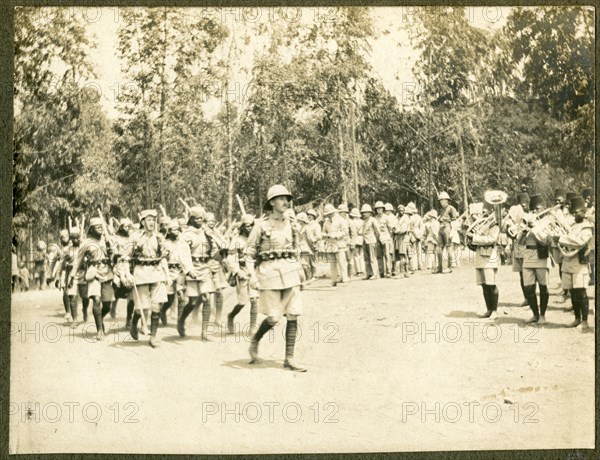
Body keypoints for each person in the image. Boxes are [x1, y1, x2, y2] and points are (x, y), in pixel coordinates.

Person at [246, 184, 307, 372]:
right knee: (273, 317)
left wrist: (301, 270)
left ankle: (289, 359)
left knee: (294, 314)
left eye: (287, 198)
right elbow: (249, 253)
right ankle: (256, 339)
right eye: (281, 198)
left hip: (290, 272)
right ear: (271, 202)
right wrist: (252, 276)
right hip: (269, 274)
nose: (286, 202)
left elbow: (298, 248)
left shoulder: (293, 224)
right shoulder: (260, 225)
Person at [128, 209, 170, 348]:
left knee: (157, 304)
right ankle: (134, 323)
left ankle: (153, 336)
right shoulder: (135, 237)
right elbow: (125, 257)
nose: (152, 222)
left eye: (153, 220)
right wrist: (127, 273)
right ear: (143, 221)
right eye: (149, 220)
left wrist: (167, 274)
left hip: (157, 272)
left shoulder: (159, 238)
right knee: (142, 308)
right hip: (141, 273)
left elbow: (163, 257)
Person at [69, 217, 115, 341]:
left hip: (107, 273)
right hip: (93, 273)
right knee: (96, 300)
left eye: (101, 226)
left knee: (107, 305)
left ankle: (100, 319)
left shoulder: (107, 240)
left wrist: (112, 251)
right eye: (97, 226)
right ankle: (99, 330)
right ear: (91, 229)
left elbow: (115, 256)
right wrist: (72, 276)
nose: (100, 228)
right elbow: (78, 260)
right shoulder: (86, 243)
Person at [178, 206, 217, 341]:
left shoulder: (207, 233)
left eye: (202, 218)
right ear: (191, 219)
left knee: (206, 297)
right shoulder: (186, 235)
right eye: (197, 218)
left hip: (205, 267)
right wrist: (189, 269)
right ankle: (181, 319)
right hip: (193, 268)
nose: (200, 220)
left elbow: (214, 248)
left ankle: (205, 331)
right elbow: (183, 253)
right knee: (193, 301)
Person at [557, 196, 594, 331]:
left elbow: (579, 242)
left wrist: (561, 238)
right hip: (568, 262)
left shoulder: (587, 227)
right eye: (573, 212)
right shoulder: (572, 226)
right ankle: (577, 318)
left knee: (581, 292)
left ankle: (584, 321)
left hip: (579, 264)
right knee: (572, 292)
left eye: (576, 212)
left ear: (583, 213)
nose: (574, 215)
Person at [160, 219, 198, 326]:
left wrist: (190, 270)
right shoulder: (165, 244)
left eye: (177, 230)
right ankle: (163, 310)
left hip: (181, 272)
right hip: (169, 271)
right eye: (173, 230)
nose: (176, 232)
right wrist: (166, 274)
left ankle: (180, 322)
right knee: (170, 298)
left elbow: (188, 259)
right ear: (169, 231)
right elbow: (163, 260)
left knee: (181, 296)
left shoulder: (183, 244)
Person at [226, 214, 259, 334]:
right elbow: (231, 257)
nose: (249, 228)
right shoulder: (237, 240)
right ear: (242, 226)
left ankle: (253, 327)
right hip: (242, 271)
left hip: (254, 272)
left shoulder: (257, 239)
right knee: (242, 302)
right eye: (247, 226)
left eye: (251, 226)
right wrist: (237, 271)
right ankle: (231, 316)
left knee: (254, 300)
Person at [523, 195, 552, 324]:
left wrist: (534, 228)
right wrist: (523, 232)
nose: (534, 212)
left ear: (543, 208)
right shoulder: (528, 221)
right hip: (528, 255)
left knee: (543, 287)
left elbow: (546, 241)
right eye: (532, 210)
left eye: (537, 209)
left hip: (541, 255)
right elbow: (520, 241)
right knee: (528, 288)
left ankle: (543, 315)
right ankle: (535, 314)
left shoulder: (548, 222)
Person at [469, 201, 501, 319]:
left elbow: (491, 239)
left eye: (483, 212)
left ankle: (495, 311)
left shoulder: (493, 225)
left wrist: (475, 238)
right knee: (484, 285)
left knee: (491, 285)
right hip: (480, 256)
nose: (481, 215)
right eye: (480, 213)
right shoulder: (479, 225)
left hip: (490, 257)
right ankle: (488, 309)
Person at [506, 192, 531, 307]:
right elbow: (509, 226)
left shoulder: (529, 213)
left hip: (527, 245)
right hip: (519, 244)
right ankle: (527, 298)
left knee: (527, 273)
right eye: (524, 203)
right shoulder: (516, 210)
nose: (525, 205)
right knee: (522, 274)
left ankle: (530, 298)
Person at [111, 218, 136, 327]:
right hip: (119, 266)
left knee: (131, 295)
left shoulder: (133, 239)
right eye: (125, 226)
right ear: (121, 227)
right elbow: (113, 255)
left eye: (129, 226)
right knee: (117, 290)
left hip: (131, 267)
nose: (127, 228)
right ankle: (113, 306)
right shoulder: (115, 239)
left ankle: (128, 319)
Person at [55, 228, 81, 327]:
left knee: (86, 297)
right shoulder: (66, 250)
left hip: (84, 274)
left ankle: (85, 313)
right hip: (70, 274)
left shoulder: (84, 247)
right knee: (71, 294)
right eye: (73, 238)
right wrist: (57, 277)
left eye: (77, 238)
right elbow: (60, 264)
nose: (75, 240)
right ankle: (74, 318)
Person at [322, 204, 349, 286]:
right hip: (330, 244)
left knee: (342, 262)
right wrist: (324, 235)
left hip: (339, 243)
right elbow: (324, 231)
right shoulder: (326, 222)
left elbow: (345, 232)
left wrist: (336, 235)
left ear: (333, 212)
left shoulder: (341, 220)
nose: (328, 215)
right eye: (327, 214)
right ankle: (334, 280)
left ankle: (344, 279)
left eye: (329, 213)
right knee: (332, 262)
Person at [435, 192, 459, 273]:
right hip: (441, 227)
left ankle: (449, 267)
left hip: (448, 227)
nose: (441, 202)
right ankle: (440, 267)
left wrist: (452, 232)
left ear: (447, 200)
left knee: (449, 247)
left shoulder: (451, 208)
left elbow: (455, 221)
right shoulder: (441, 210)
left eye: (442, 200)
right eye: (440, 200)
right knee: (438, 248)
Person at [359, 204, 380, 280]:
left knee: (372, 258)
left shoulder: (373, 220)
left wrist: (375, 240)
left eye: (365, 212)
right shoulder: (364, 221)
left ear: (370, 213)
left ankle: (375, 274)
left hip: (371, 241)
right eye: (363, 212)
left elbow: (377, 231)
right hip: (365, 241)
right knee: (366, 258)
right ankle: (369, 273)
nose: (364, 214)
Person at [373, 201, 393, 278]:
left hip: (386, 238)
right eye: (377, 209)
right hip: (378, 239)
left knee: (387, 255)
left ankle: (389, 271)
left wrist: (389, 239)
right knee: (379, 256)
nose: (379, 210)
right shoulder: (375, 218)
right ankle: (381, 272)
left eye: (380, 208)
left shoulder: (386, 218)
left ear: (383, 209)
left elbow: (390, 228)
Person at [581, 188, 595, 286]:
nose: (587, 200)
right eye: (585, 198)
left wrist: (590, 217)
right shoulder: (584, 208)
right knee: (590, 256)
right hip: (587, 234)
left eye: (589, 198)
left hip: (594, 233)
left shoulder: (594, 209)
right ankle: (592, 276)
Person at [394, 205, 411, 278]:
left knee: (402, 255)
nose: (401, 211)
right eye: (399, 210)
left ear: (404, 211)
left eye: (402, 210)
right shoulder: (397, 218)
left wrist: (396, 230)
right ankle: (405, 272)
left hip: (404, 237)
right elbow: (394, 226)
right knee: (401, 255)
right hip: (398, 237)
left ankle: (402, 272)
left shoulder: (405, 218)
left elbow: (403, 229)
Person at [296, 212, 313, 282]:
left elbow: (310, 238)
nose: (298, 221)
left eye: (299, 220)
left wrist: (311, 246)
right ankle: (304, 279)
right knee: (301, 265)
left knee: (305, 265)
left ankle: (308, 278)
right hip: (300, 247)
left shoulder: (307, 228)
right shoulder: (300, 228)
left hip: (305, 247)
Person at [338, 204, 354, 279]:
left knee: (349, 259)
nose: (342, 213)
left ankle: (350, 274)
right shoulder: (337, 221)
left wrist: (352, 242)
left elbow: (353, 233)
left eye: (344, 212)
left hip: (347, 242)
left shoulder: (349, 221)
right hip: (339, 243)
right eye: (340, 212)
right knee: (341, 260)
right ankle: (343, 275)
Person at [306, 209, 321, 281]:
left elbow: (318, 236)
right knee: (308, 261)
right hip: (307, 245)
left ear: (314, 216)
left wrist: (313, 241)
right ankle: (310, 275)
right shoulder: (307, 224)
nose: (309, 216)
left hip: (314, 244)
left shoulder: (316, 225)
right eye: (308, 215)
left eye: (311, 215)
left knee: (313, 260)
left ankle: (315, 275)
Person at [349, 207, 365, 277]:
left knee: (356, 256)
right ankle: (362, 270)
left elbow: (353, 233)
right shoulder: (362, 221)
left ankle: (358, 271)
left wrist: (352, 241)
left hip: (356, 239)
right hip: (362, 239)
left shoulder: (352, 222)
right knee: (361, 255)